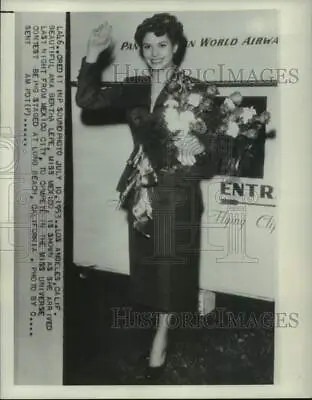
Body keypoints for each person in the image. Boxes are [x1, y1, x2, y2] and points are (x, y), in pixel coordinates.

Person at [75, 13, 229, 381]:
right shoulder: (135, 88)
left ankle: (161, 338)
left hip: (178, 192)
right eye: (147, 46)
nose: (154, 52)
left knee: (169, 270)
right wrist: (93, 54)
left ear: (176, 46)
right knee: (149, 269)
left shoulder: (198, 91)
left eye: (162, 44)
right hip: (142, 192)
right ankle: (164, 321)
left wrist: (202, 144)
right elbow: (87, 99)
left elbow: (220, 148)